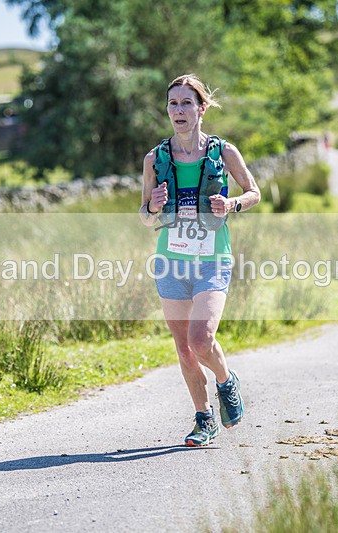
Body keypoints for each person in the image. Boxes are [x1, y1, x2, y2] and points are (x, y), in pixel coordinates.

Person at [139, 74, 261, 446]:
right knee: (183, 348)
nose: (179, 110)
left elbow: (254, 192)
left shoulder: (224, 152)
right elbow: (144, 216)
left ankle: (227, 380)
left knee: (201, 338)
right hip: (171, 261)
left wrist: (232, 204)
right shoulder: (154, 159)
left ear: (201, 108)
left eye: (186, 103)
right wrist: (151, 206)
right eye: (173, 103)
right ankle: (203, 418)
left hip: (212, 259)